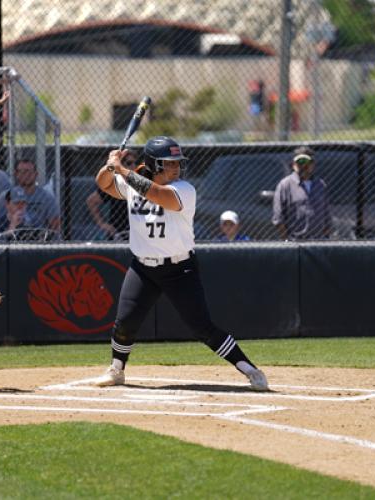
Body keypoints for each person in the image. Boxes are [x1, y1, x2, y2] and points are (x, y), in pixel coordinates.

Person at [93, 136, 268, 390]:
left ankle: (251, 370)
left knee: (202, 327)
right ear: (153, 164)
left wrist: (122, 170)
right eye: (169, 163)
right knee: (125, 322)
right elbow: (103, 184)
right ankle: (117, 370)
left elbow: (156, 194)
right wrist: (110, 165)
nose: (175, 168)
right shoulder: (132, 183)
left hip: (179, 269)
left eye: (177, 163)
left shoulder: (184, 189)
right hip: (143, 267)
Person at [272, 146, 332, 240]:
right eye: (300, 162)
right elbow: (278, 218)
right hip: (295, 242)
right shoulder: (285, 185)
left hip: (319, 241)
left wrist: (325, 238)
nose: (303, 166)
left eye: (307, 162)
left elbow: (327, 216)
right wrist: (287, 241)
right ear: (293, 164)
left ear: (313, 165)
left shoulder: (320, 185)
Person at [0, 158, 61, 232]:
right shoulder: (6, 196)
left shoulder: (47, 197)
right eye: (22, 172)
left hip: (39, 238)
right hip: (12, 237)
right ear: (16, 174)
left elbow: (55, 227)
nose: (26, 175)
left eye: (30, 172)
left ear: (36, 174)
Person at [86, 150, 137, 240]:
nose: (134, 166)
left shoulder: (140, 182)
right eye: (129, 163)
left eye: (135, 163)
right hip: (119, 234)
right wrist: (101, 223)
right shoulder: (115, 183)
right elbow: (91, 201)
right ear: (121, 164)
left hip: (139, 234)